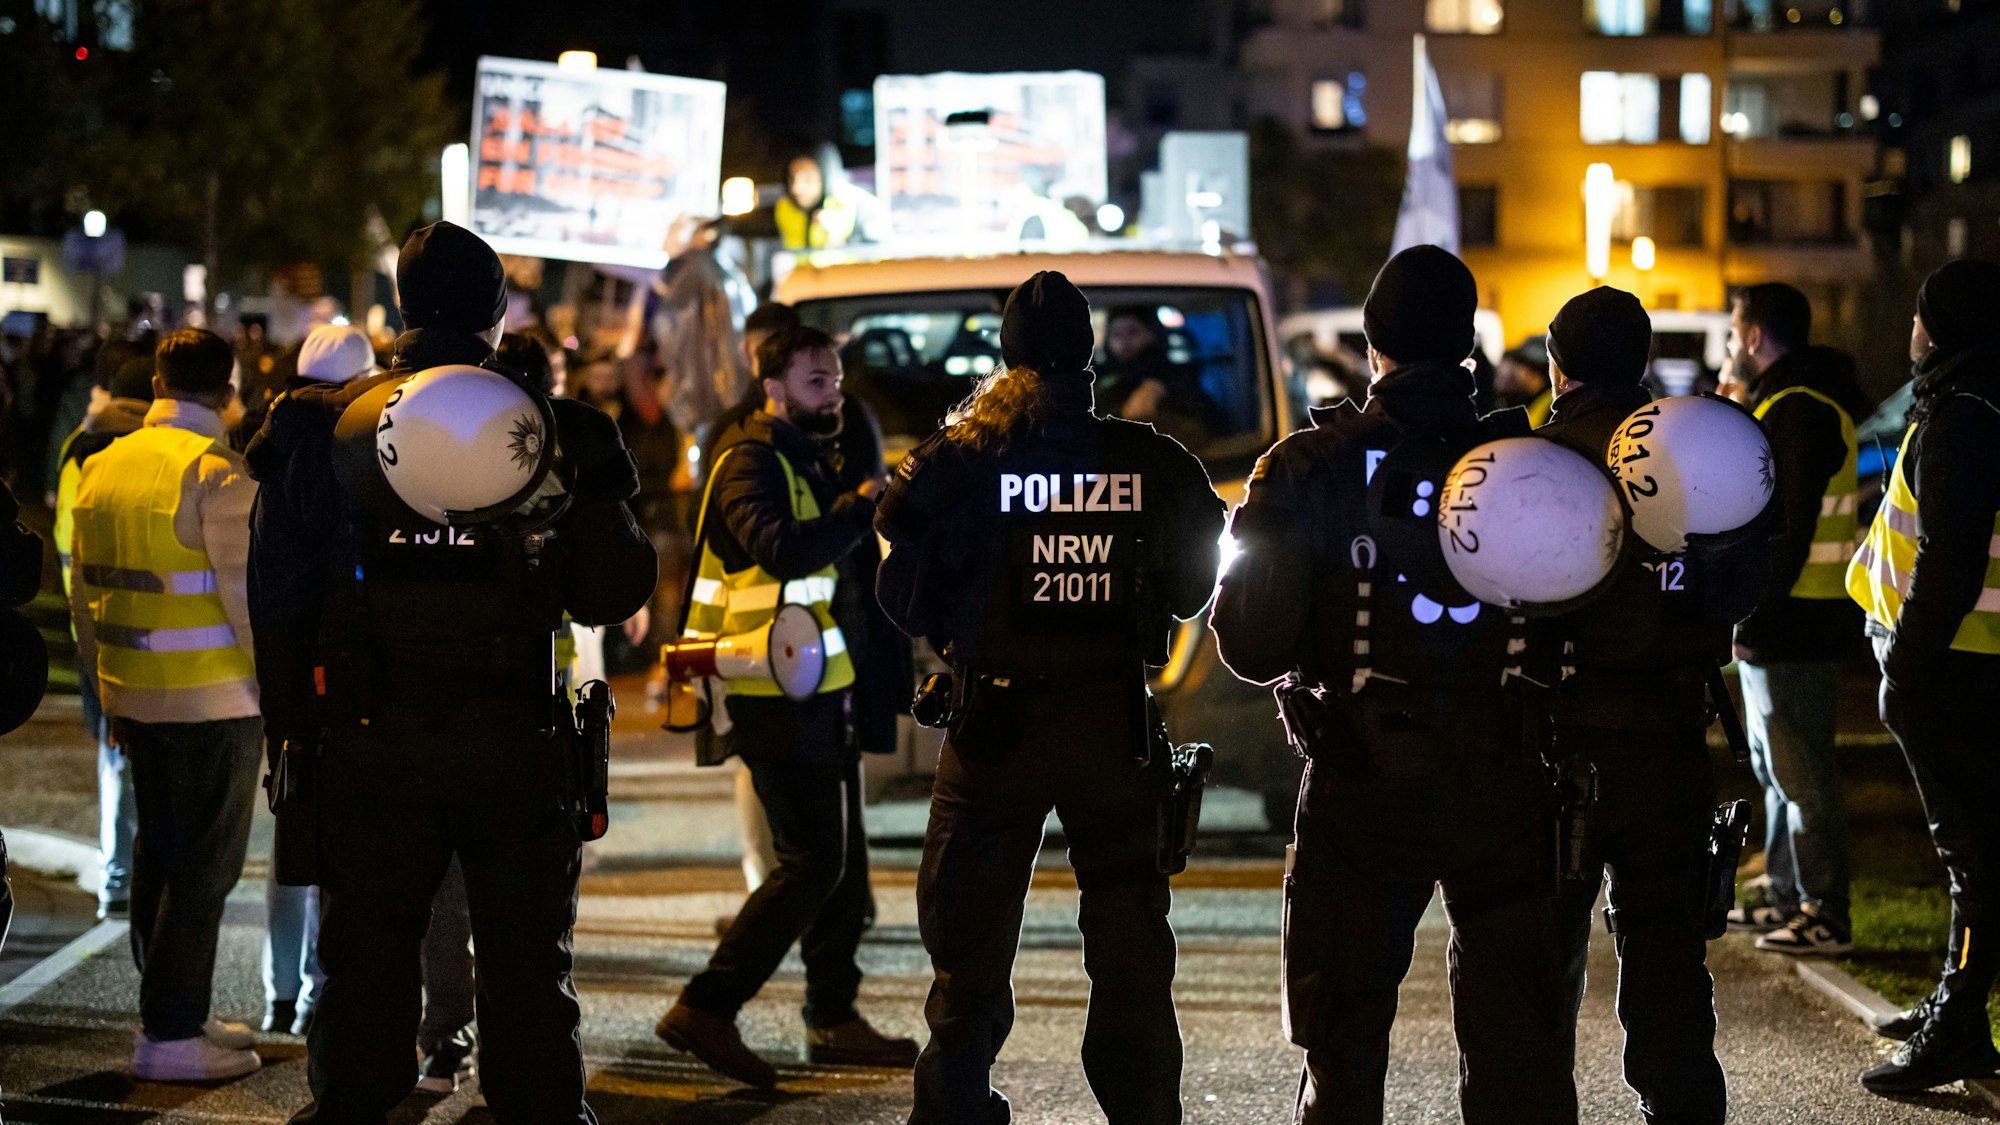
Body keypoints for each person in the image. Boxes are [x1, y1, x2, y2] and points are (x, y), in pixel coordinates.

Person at [246, 220, 657, 1124]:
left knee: (364, 963)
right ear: (499, 315)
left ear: (401, 310)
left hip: (367, 739)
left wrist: (294, 730)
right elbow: (612, 590)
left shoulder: (323, 427)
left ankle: (355, 1105)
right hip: (515, 741)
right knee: (525, 963)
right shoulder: (558, 429)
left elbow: (275, 596)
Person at [1211, 246, 1572, 1125]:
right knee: (1519, 1053)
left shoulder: (1305, 465)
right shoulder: (1533, 461)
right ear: (1467, 345)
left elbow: (1252, 645)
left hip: (1360, 779)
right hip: (1508, 776)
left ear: (1372, 345)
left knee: (1342, 1050)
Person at [876, 271, 1224, 1124]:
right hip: (1111, 726)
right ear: (1092, 358)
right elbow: (1191, 585)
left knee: (967, 954)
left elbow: (900, 570)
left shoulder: (963, 454)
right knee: (1131, 950)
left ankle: (953, 1111)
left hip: (994, 728)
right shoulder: (1152, 459)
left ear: (1008, 355)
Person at [654, 324, 914, 1086]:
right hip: (768, 692)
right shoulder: (748, 463)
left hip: (817, 687)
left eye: (834, 379)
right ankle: (707, 1004)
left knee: (843, 865)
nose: (832, 392)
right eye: (814, 381)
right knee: (813, 861)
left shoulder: (814, 455)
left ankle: (833, 1016)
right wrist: (856, 509)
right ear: (771, 387)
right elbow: (780, 549)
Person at [1536, 287, 1768, 1125]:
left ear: (1558, 366)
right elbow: (1740, 587)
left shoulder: (1537, 457)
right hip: (1669, 742)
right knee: (1669, 959)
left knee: (1534, 965)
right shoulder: (1701, 451)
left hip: (1552, 748)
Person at [68, 327, 264, 1082]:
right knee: (204, 870)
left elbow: (87, 598)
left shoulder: (104, 463)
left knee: (158, 852)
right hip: (214, 699)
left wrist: (106, 686)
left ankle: (171, 1008)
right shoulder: (217, 471)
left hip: (133, 693)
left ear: (156, 386)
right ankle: (173, 1031)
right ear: (227, 391)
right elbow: (249, 604)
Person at [1847, 258, 2000, 1095]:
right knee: (1973, 850)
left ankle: (1958, 1029)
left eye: (1916, 315)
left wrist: (1904, 667)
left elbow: (1952, 555)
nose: (1908, 330)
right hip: (1968, 660)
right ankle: (1954, 1001)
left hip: (1956, 666)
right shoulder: (1974, 400)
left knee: (1972, 854)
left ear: (1939, 326)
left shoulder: (1966, 415)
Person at [1721, 283, 1869, 956]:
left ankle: (1823, 908)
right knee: (1778, 762)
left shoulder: (1799, 409)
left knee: (1800, 767)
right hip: (1788, 619)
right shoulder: (1785, 403)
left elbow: (1785, 529)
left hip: (1796, 622)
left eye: (1732, 335)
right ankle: (1788, 893)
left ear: (1754, 337)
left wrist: (1750, 613)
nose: (1728, 348)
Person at [51, 344, 155, 920]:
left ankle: (117, 875)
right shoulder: (149, 451)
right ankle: (132, 874)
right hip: (157, 624)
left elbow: (69, 542)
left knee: (115, 754)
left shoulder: (80, 448)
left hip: (93, 620)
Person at [775, 154, 856, 251]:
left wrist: (835, 234)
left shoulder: (849, 202)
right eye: (791, 179)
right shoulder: (786, 206)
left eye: (807, 179)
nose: (796, 188)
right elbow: (793, 253)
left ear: (825, 176)